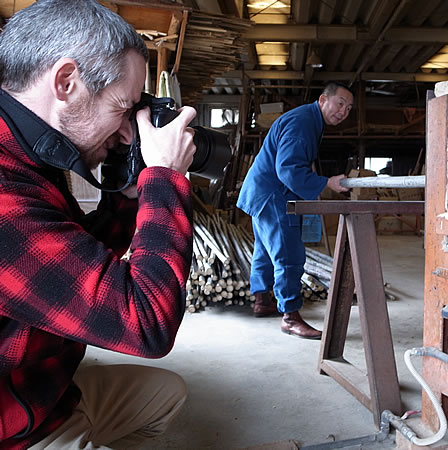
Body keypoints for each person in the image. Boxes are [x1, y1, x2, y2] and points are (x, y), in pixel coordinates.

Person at [0, 1, 198, 448]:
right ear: (66, 82)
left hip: (41, 390)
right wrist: (166, 179)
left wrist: (126, 200)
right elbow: (146, 325)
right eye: (122, 107)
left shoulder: (26, 151)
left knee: (167, 394)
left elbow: (63, 265)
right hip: (12, 426)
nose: (129, 133)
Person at [237, 82, 353, 340]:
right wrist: (326, 183)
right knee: (289, 254)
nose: (343, 111)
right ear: (323, 99)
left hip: (263, 191)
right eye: (340, 104)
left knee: (265, 250)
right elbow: (288, 169)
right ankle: (290, 317)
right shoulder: (302, 123)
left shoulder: (308, 119)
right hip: (274, 194)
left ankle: (262, 300)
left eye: (349, 108)